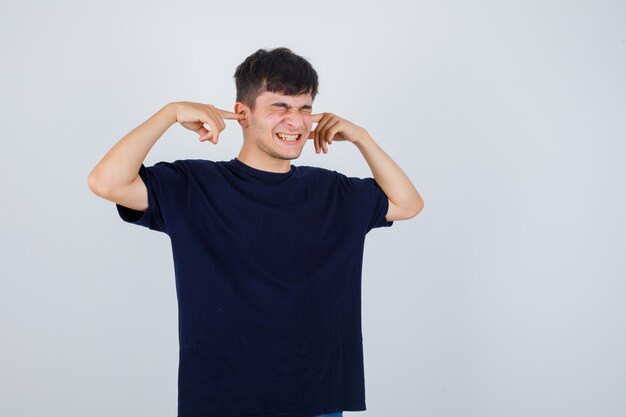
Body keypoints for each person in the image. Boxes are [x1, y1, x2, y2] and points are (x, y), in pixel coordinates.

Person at [88, 47, 423, 417]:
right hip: (223, 399)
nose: (296, 122)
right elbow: (107, 182)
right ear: (242, 114)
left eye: (305, 108)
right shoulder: (195, 185)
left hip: (315, 398)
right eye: (279, 106)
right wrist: (170, 113)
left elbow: (408, 204)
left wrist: (362, 137)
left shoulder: (332, 191)